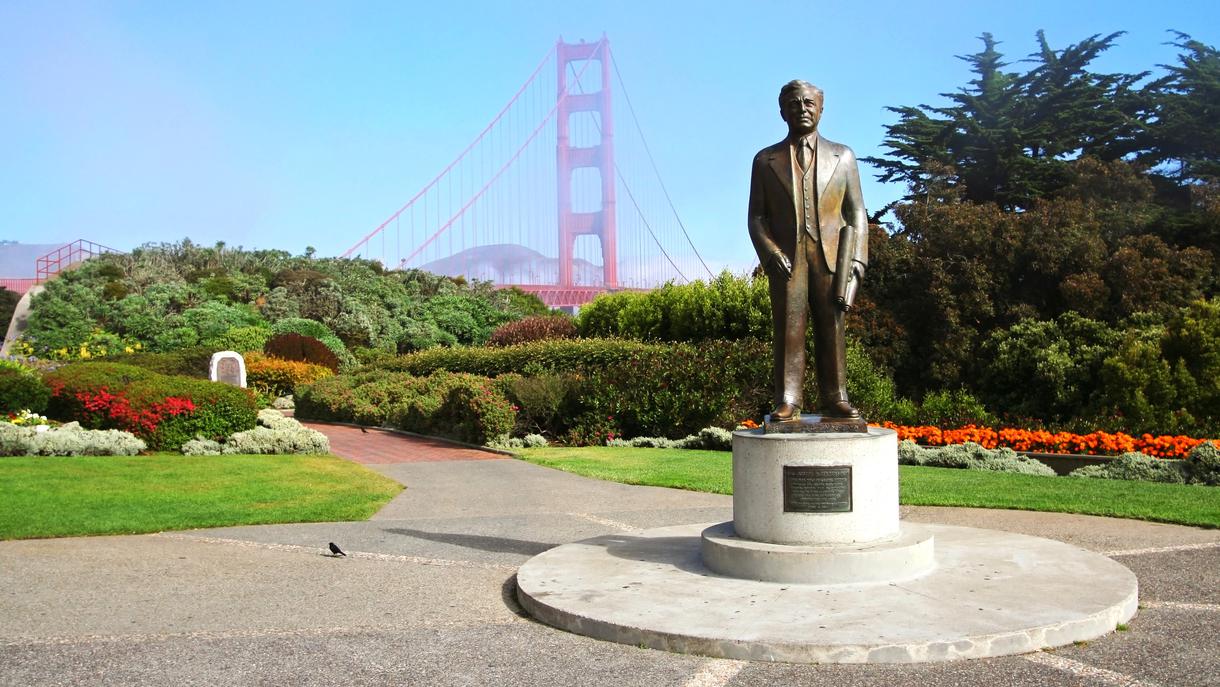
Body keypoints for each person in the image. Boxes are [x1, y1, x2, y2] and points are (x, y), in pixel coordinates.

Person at [747, 80, 868, 421]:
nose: (802, 108)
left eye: (809, 103)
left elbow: (857, 212)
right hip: (787, 259)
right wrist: (770, 253)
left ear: (821, 108)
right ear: (782, 110)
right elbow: (756, 217)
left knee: (832, 326)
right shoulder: (764, 161)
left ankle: (836, 398)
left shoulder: (843, 156)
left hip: (832, 257)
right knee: (788, 327)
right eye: (794, 103)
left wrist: (858, 260)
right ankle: (788, 399)